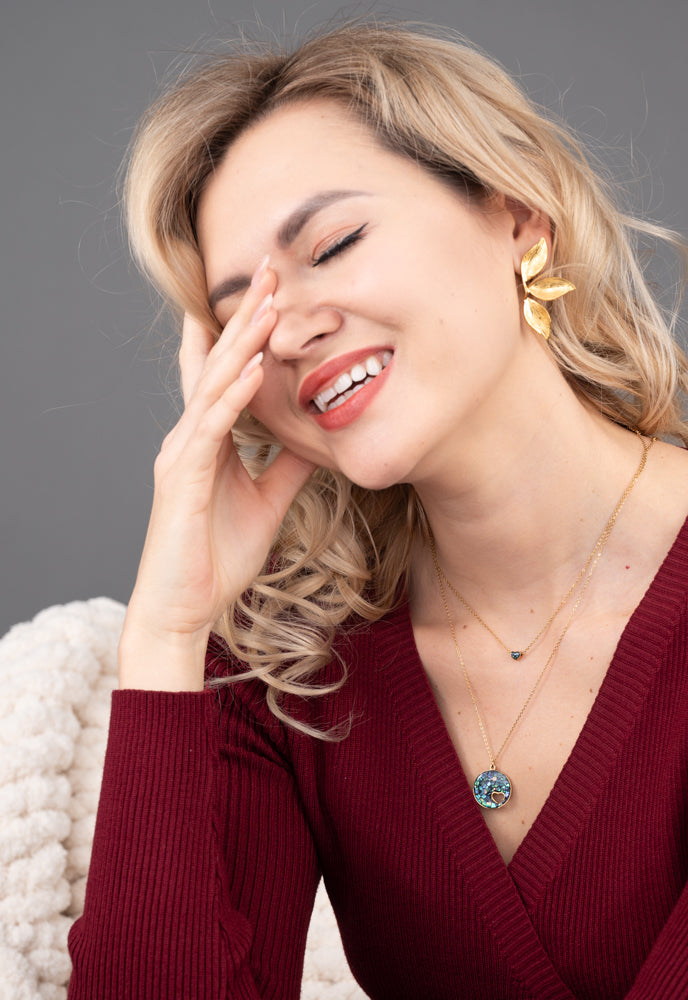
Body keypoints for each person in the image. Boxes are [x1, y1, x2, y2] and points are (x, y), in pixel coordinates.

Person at [67, 19, 688, 1000]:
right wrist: (167, 630)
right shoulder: (283, 662)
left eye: (335, 242)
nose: (293, 327)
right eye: (240, 318)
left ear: (517, 212)